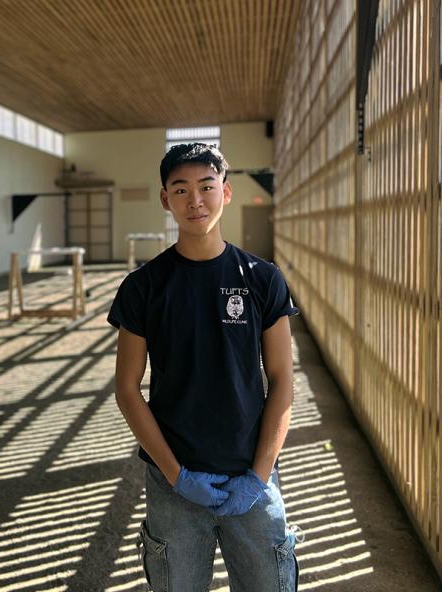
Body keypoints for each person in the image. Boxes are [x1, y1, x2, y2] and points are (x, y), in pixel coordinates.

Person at [108, 143, 300, 591]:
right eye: (181, 189)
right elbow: (127, 388)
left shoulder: (261, 278)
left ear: (226, 193)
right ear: (165, 199)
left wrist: (258, 475)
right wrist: (177, 475)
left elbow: (282, 379)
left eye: (206, 187)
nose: (195, 200)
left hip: (250, 476)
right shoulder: (143, 287)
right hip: (175, 484)